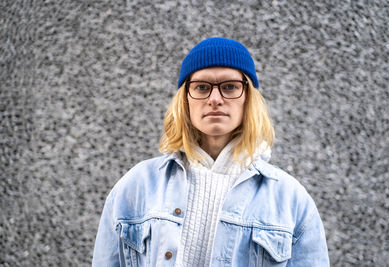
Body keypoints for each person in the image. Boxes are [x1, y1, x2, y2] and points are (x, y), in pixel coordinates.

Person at [92, 37, 329, 266]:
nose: (215, 99)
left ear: (248, 98)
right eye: (202, 87)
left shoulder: (290, 199)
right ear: (185, 99)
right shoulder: (137, 186)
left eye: (230, 87)